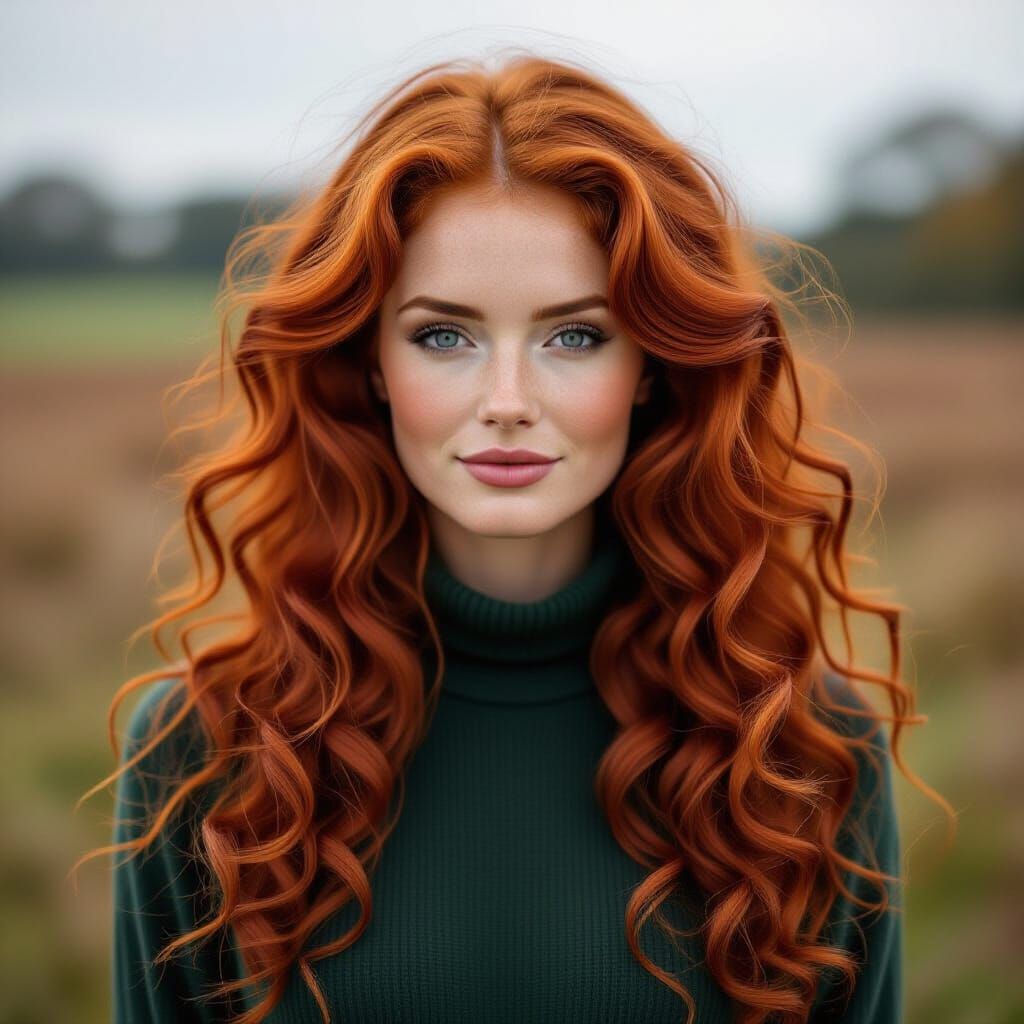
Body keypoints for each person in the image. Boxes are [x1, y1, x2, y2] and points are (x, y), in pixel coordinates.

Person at [76, 52, 953, 1023]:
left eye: (573, 336)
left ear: (654, 364)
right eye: (442, 336)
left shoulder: (800, 747)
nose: (505, 404)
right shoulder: (210, 746)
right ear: (367, 361)